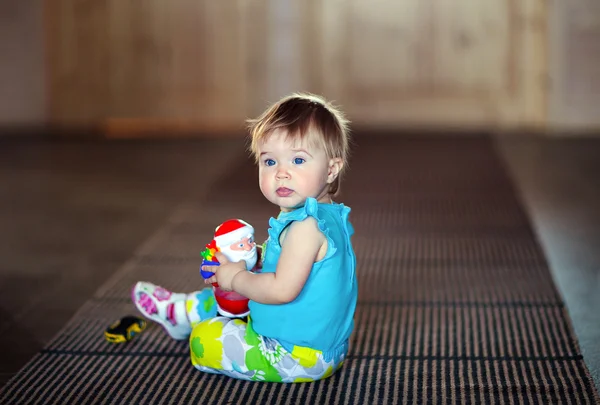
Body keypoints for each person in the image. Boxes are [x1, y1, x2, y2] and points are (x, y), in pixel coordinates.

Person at [132, 93, 357, 383]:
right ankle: (180, 313)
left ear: (331, 169)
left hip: (296, 355)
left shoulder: (306, 228)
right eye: (270, 161)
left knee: (204, 340)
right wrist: (255, 261)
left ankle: (193, 323)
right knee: (232, 290)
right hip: (322, 346)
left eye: (298, 160)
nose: (282, 173)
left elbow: (281, 291)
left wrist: (235, 278)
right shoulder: (325, 215)